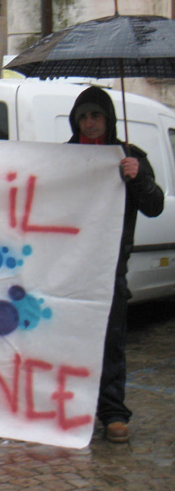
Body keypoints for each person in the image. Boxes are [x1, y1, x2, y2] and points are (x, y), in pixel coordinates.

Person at [67, 86, 164, 443]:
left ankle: (112, 412)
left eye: (96, 115)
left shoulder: (130, 157)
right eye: (83, 117)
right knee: (66, 342)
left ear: (108, 119)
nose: (90, 123)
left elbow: (154, 205)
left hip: (110, 270)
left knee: (110, 343)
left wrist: (139, 178)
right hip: (66, 270)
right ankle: (68, 408)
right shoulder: (62, 158)